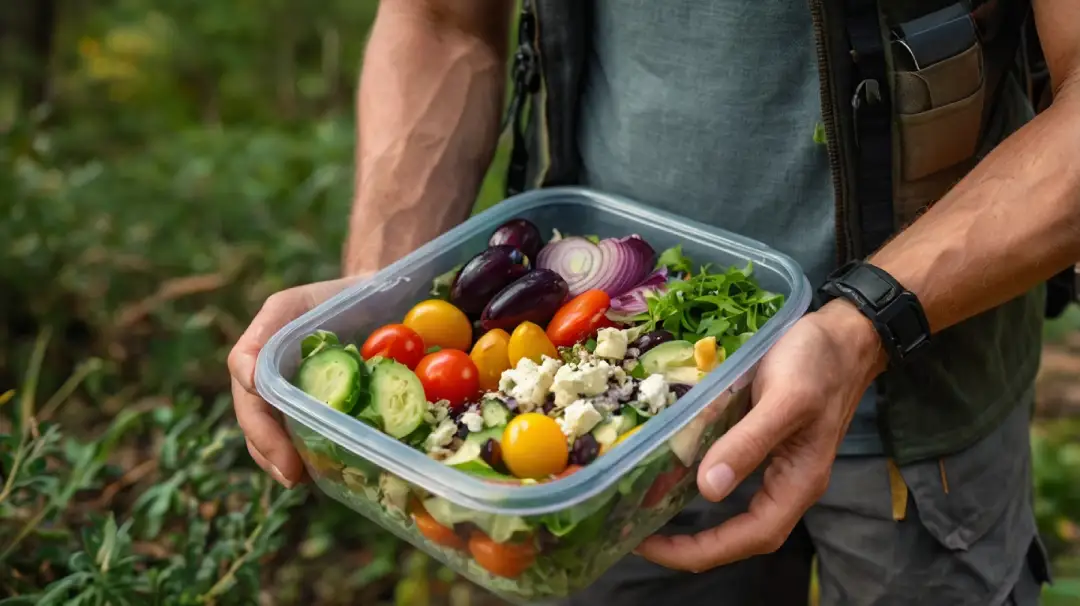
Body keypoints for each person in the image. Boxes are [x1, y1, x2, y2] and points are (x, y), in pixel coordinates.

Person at [228, 1, 1080, 604]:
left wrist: (864, 324)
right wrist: (384, 308)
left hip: (922, 394)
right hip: (603, 428)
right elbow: (442, 21)